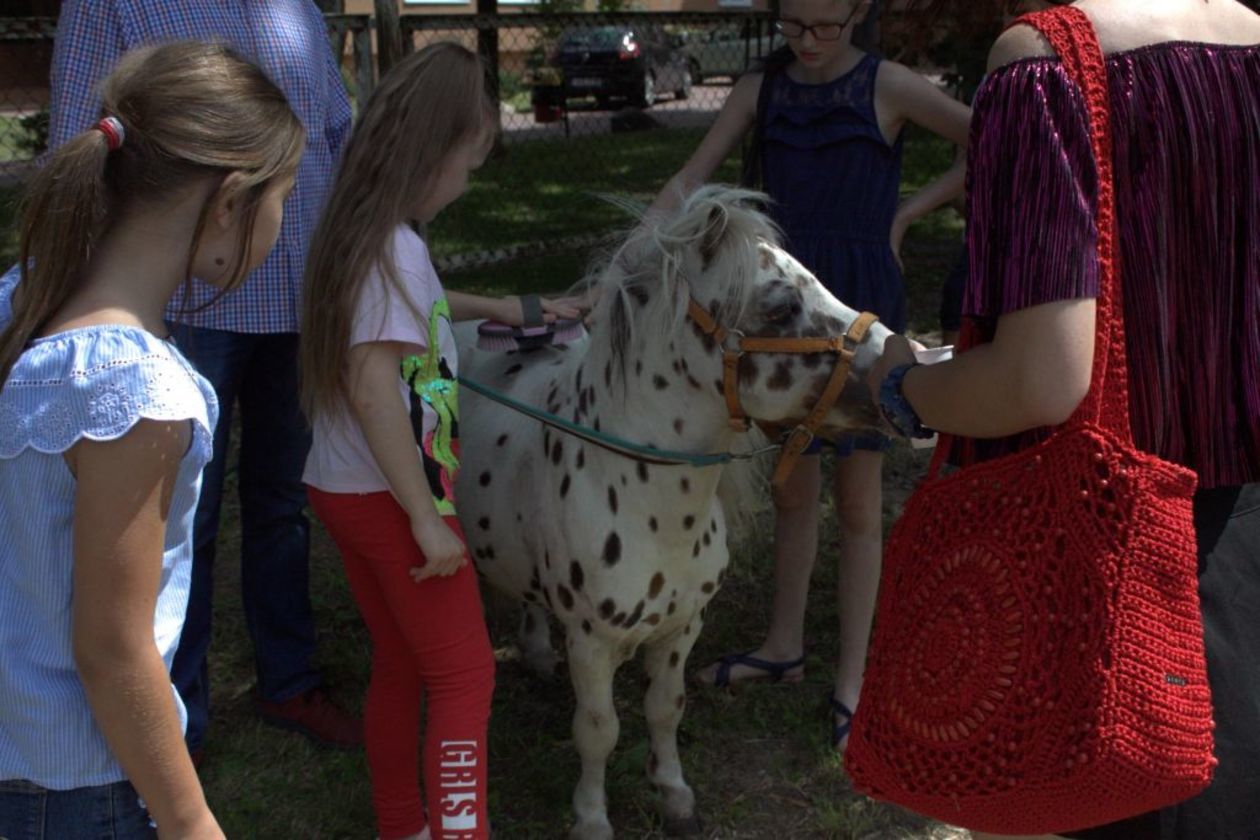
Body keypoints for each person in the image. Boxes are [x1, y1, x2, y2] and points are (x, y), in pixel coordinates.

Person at [868, 1, 1260, 838]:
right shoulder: (1250, 40)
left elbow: (1039, 381)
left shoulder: (1044, 66)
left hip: (1115, 583)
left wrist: (904, 384)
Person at [0, 41, 304, 838]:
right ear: (231, 202)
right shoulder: (134, 390)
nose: (285, 227)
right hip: (80, 791)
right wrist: (190, 819)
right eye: (287, 202)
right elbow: (112, 650)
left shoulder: (19, 305)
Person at [649, 0, 971, 752]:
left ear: (859, 10)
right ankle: (783, 646)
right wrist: (638, 252)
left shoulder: (888, 83)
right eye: (795, 26)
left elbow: (992, 140)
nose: (812, 42)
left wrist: (904, 216)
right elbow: (690, 179)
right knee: (792, 484)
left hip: (857, 304)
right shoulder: (762, 89)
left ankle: (854, 680)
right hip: (782, 320)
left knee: (858, 503)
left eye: (829, 25)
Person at [47, 0, 361, 759]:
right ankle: (169, 710)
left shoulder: (295, 10)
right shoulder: (111, 5)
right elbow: (76, 140)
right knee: (179, 513)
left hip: (296, 293)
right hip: (190, 299)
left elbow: (337, 136)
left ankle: (289, 680)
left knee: (284, 500)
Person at [299, 43, 580, 840]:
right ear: (437, 152)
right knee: (465, 674)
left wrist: (517, 307)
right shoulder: (395, 245)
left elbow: (414, 306)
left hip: (341, 485)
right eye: (471, 159)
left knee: (401, 661)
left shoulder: (362, 228)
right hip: (393, 500)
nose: (470, 179)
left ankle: (404, 825)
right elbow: (369, 384)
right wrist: (426, 517)